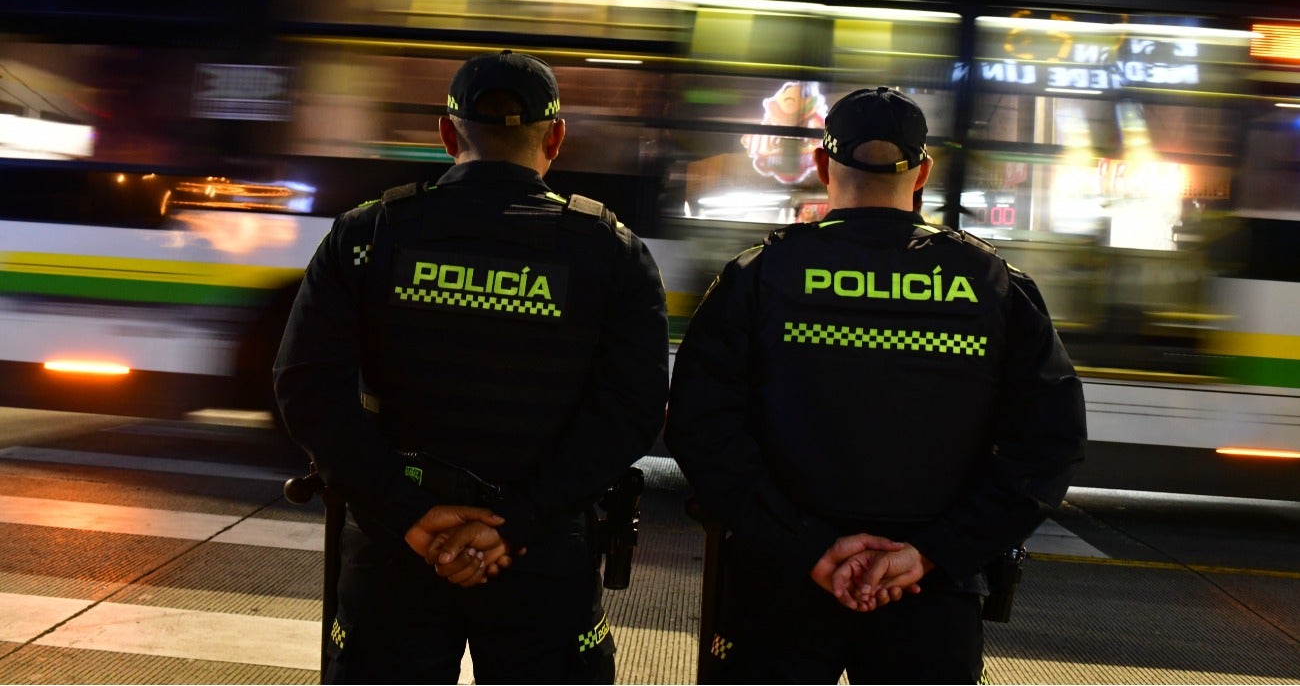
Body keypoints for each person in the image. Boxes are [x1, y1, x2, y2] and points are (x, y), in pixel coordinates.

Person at [663, 86, 1087, 684]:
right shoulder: (995, 285)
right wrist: (932, 553)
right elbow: (1052, 441)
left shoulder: (758, 276)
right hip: (930, 596)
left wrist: (805, 545)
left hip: (777, 586)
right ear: (922, 173)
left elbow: (698, 425)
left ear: (819, 166)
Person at [273, 50, 670, 684]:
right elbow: (633, 410)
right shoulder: (611, 251)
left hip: (394, 554)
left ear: (447, 133)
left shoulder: (366, 237)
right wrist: (517, 525)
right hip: (542, 558)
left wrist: (408, 516)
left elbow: (307, 390)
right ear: (556, 138)